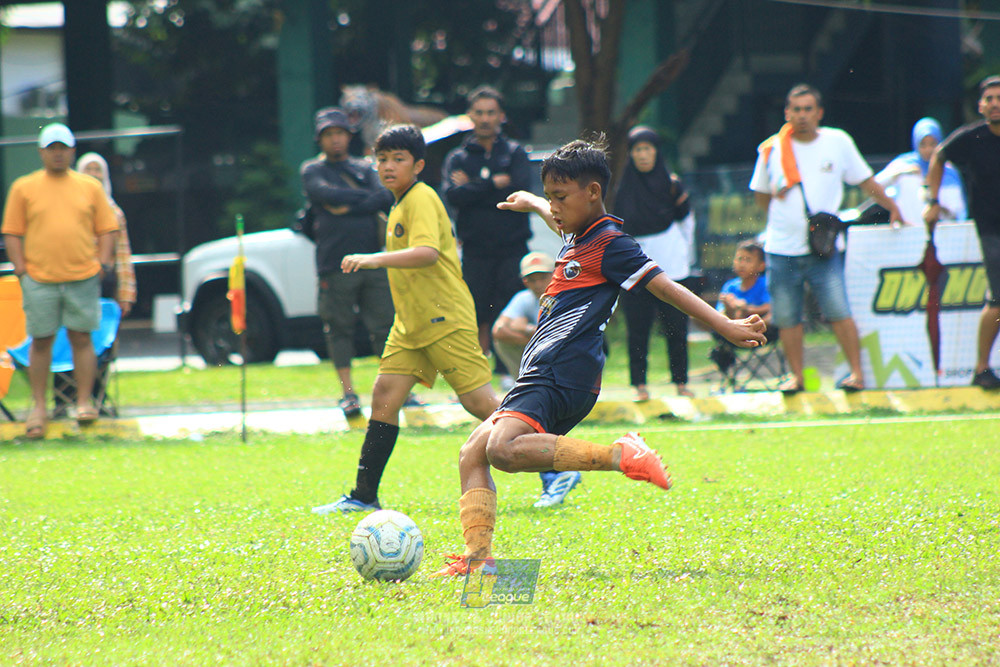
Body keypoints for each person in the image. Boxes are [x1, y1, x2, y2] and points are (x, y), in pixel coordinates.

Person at [431, 138, 767, 576]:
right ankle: (478, 560)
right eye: (550, 196)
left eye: (560, 197)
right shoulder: (580, 235)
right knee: (472, 453)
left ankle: (617, 454)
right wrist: (534, 202)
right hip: (544, 368)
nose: (554, 206)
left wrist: (725, 326)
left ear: (593, 193)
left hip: (563, 370)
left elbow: (666, 287)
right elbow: (562, 227)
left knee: (502, 449)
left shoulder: (612, 244)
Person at [312, 124, 500, 514]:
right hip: (410, 324)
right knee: (384, 397)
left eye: (398, 159)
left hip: (442, 317)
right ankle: (364, 496)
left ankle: (553, 467)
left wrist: (373, 258)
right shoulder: (397, 203)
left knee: (480, 402)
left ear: (417, 165)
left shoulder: (421, 198)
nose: (388, 166)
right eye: (382, 159)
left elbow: (427, 252)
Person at [749, 83, 901, 394]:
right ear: (786, 113)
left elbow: (865, 181)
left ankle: (857, 374)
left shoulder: (838, 141)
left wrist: (893, 207)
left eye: (808, 109)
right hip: (781, 248)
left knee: (838, 311)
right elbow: (762, 197)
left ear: (819, 113)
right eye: (796, 109)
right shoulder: (771, 149)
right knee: (788, 316)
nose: (802, 115)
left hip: (823, 250)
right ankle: (796, 378)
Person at [1, 123, 118, 439]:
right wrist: (22, 269)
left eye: (63, 148)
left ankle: (84, 402)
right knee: (41, 341)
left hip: (82, 276)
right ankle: (38, 407)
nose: (57, 153)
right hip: (39, 278)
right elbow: (12, 231)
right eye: (51, 148)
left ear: (72, 151)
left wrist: (103, 265)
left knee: (82, 338)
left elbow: (107, 228)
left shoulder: (89, 187)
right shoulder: (24, 188)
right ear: (41, 152)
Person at [300, 107, 395, 417]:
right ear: (320, 139)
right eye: (329, 135)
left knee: (386, 326)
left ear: (348, 136)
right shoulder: (312, 170)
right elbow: (320, 192)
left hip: (372, 260)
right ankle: (348, 394)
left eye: (340, 133)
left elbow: (383, 196)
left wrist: (340, 203)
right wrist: (361, 201)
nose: (335, 140)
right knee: (338, 328)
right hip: (334, 262)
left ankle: (395, 392)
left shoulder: (365, 167)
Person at [442, 86, 533, 386]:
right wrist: (493, 182)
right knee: (475, 310)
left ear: (501, 116)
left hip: (512, 246)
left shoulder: (515, 152)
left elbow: (519, 189)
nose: (485, 119)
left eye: (491, 112)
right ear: (469, 116)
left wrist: (474, 187)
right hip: (476, 249)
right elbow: (454, 195)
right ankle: (477, 374)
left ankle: (510, 371)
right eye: (479, 112)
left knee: (509, 306)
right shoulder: (457, 157)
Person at [924, 75, 1000, 389]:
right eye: (989, 99)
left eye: (999, 98)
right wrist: (932, 200)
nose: (995, 104)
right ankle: (981, 368)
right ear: (981, 105)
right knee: (998, 301)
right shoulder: (972, 138)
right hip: (991, 230)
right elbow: (938, 158)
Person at [492, 250, 581, 508]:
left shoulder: (565, 295)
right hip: (541, 371)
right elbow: (500, 329)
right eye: (532, 279)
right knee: (521, 428)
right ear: (525, 282)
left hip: (568, 372)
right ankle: (555, 477)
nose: (538, 283)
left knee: (516, 430)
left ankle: (558, 474)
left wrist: (530, 333)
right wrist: (536, 337)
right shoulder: (524, 299)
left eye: (542, 276)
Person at [614, 126, 696, 400]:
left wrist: (686, 255)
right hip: (635, 264)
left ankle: (681, 382)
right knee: (637, 328)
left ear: (656, 151)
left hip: (671, 262)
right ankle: (639, 385)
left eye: (648, 149)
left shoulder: (672, 183)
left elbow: (686, 221)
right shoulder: (623, 187)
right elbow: (617, 228)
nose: (643, 155)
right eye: (637, 150)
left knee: (676, 325)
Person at [76, 152, 137, 317]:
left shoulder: (114, 213)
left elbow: (123, 256)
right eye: (88, 169)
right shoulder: (70, 210)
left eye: (98, 169)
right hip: (76, 281)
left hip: (107, 283)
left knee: (108, 336)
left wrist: (126, 294)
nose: (94, 173)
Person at [876, 118, 966, 226]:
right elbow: (875, 185)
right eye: (923, 144)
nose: (928, 149)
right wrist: (901, 172)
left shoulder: (949, 172)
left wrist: (936, 206)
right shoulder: (903, 164)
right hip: (907, 233)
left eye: (933, 144)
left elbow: (959, 213)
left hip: (941, 235)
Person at [711, 240, 772, 374]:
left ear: (761, 266)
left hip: (762, 330)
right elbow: (721, 313)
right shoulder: (730, 286)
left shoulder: (765, 284)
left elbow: (769, 306)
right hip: (732, 329)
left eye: (748, 260)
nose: (742, 264)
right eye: (739, 259)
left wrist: (745, 308)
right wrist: (730, 306)